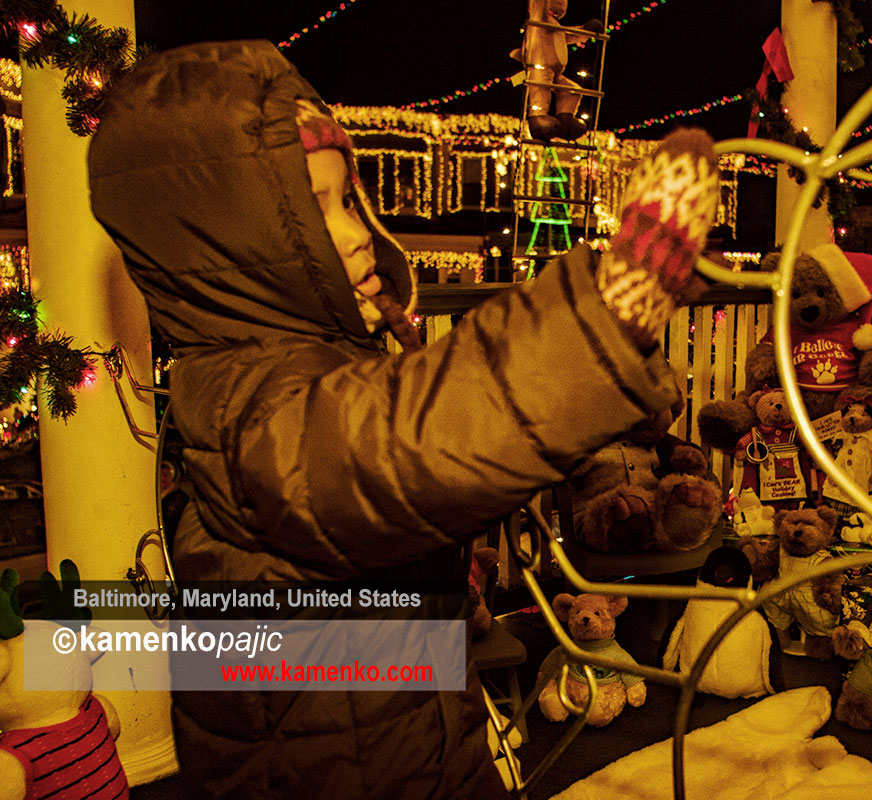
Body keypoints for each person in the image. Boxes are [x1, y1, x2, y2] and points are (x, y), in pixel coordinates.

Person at [86, 40, 718, 799]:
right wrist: (601, 323)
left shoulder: (310, 366)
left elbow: (387, 500)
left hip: (390, 723)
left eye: (347, 198)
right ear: (225, 249)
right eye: (310, 212)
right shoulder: (251, 406)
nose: (355, 232)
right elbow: (405, 443)